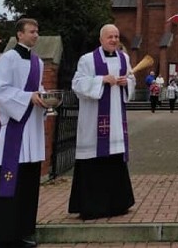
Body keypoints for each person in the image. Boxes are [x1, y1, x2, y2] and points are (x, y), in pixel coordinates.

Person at [0, 18, 47, 248]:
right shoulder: (8, 59)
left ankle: (22, 231)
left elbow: (38, 89)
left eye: (37, 32)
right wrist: (28, 97)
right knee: (10, 180)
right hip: (14, 129)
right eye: (31, 31)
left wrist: (44, 99)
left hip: (32, 130)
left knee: (27, 181)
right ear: (19, 34)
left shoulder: (38, 62)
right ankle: (2, 235)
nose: (35, 35)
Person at [68, 24, 136, 219]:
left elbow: (131, 80)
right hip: (93, 123)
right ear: (101, 39)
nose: (114, 40)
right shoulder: (87, 60)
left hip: (115, 123)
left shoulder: (124, 58)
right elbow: (77, 84)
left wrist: (126, 83)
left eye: (116, 36)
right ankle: (92, 206)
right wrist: (101, 80)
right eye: (110, 37)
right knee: (94, 163)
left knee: (114, 161)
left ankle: (118, 204)